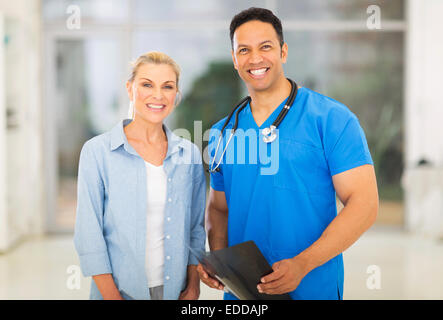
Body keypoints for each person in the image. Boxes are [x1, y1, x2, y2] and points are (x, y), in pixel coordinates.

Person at [198, 7, 379, 300]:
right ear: (234, 59)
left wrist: (302, 264)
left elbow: (365, 204)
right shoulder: (223, 132)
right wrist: (220, 261)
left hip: (312, 287)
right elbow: (218, 209)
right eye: (244, 49)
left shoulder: (331, 119)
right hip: (245, 294)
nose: (255, 58)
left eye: (265, 47)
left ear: (283, 52)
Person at [74, 51, 206, 300]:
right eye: (147, 84)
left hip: (173, 291)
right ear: (130, 88)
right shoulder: (97, 152)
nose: (158, 95)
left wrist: (194, 284)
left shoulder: (188, 154)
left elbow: (195, 228)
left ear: (176, 95)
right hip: (117, 292)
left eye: (167, 87)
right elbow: (88, 233)